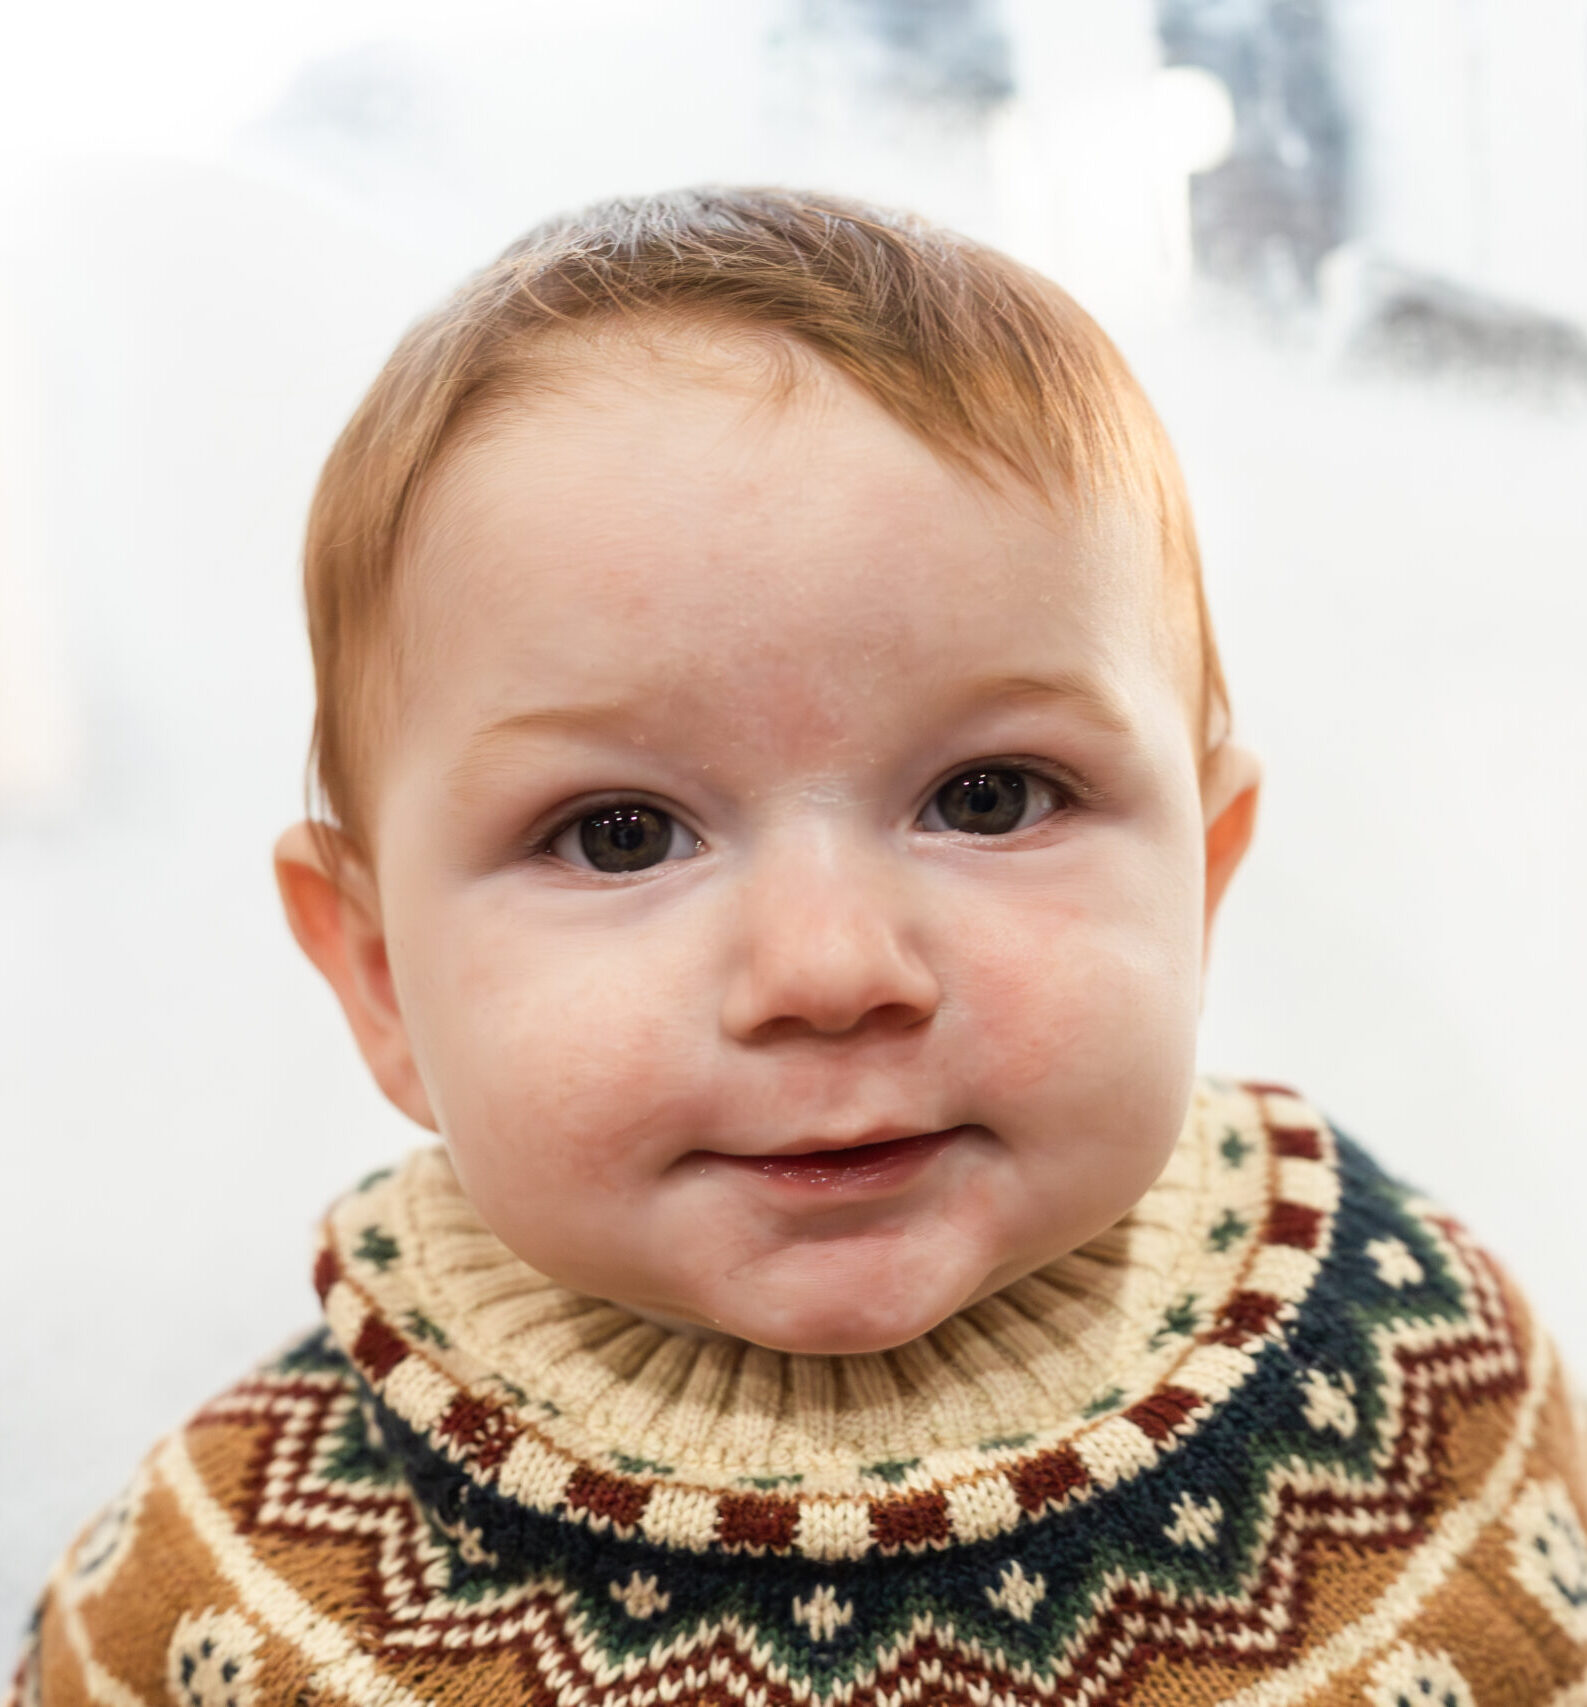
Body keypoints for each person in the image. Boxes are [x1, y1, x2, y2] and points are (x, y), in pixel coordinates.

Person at [12, 186, 1587, 1707]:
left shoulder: (1413, 1359)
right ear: (377, 980)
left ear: (1203, 879)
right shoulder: (230, 1595)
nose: (832, 970)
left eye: (991, 796)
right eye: (618, 834)